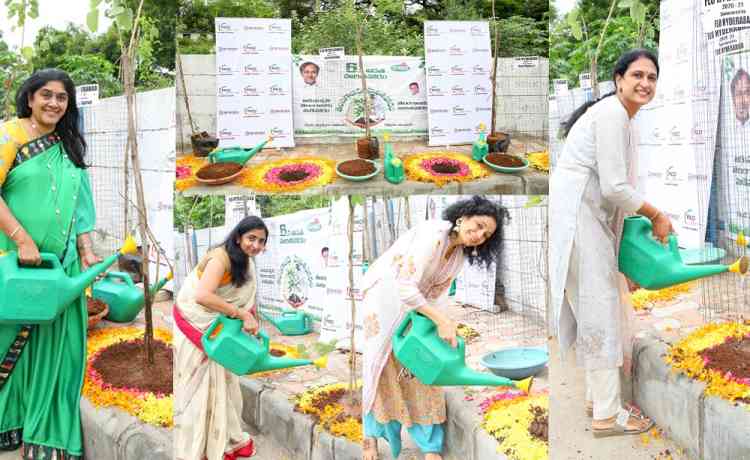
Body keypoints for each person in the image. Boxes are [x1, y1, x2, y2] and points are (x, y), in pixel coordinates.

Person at [549, 49, 669, 437]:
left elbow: (614, 190)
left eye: (651, 77)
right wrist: (656, 215)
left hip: (578, 221)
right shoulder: (614, 114)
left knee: (592, 312)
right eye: (637, 75)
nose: (644, 84)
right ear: (618, 79)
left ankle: (596, 399)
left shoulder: (617, 116)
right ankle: (606, 414)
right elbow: (615, 188)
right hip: (579, 223)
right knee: (599, 312)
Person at [361, 196, 509, 460]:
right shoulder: (432, 233)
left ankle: (430, 447)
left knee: (422, 372)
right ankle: (369, 437)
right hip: (384, 302)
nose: (479, 235)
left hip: (415, 309)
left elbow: (438, 295)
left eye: (486, 234)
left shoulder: (460, 255)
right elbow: (404, 285)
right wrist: (440, 321)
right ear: (462, 218)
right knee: (381, 369)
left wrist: (444, 323)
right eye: (478, 225)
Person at [0, 69, 99, 459]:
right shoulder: (10, 135)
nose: (55, 103)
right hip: (15, 264)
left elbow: (81, 202)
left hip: (62, 267)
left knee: (61, 351)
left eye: (62, 98)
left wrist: (87, 249)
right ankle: (7, 423)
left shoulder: (68, 143)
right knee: (8, 342)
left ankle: (46, 438)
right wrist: (23, 240)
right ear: (30, 98)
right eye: (47, 95)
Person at [173, 216, 267, 460]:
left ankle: (228, 439)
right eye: (251, 238)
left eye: (261, 241)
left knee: (226, 384)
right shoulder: (220, 258)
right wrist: (240, 313)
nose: (256, 245)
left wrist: (249, 319)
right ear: (238, 237)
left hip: (221, 328)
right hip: (198, 323)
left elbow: (243, 298)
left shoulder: (246, 263)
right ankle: (203, 446)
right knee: (200, 386)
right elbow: (202, 296)